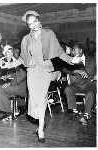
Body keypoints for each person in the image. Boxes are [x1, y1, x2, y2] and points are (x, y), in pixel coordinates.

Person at [5, 11, 82, 143]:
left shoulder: (49, 34)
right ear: (28, 26)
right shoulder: (26, 39)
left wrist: (71, 60)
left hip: (45, 70)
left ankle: (40, 128)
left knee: (42, 97)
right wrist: (9, 64)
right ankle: (40, 122)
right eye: (30, 24)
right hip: (32, 72)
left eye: (34, 21)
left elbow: (59, 52)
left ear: (39, 20)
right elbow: (23, 58)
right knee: (34, 98)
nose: (33, 25)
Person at [64, 44, 96, 125]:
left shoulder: (92, 59)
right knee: (68, 89)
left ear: (81, 51)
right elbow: (65, 69)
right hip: (78, 84)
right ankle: (75, 111)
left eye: (75, 50)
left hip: (89, 83)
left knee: (90, 92)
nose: (73, 52)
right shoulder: (72, 60)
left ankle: (87, 114)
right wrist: (76, 71)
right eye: (73, 50)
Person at [0, 47, 27, 121]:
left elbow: (20, 76)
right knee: (4, 89)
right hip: (19, 84)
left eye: (13, 52)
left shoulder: (20, 62)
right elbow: (18, 75)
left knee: (1, 90)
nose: (12, 54)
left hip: (21, 87)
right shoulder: (19, 61)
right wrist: (9, 76)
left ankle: (8, 113)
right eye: (9, 52)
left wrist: (10, 83)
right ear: (5, 53)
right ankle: (17, 109)